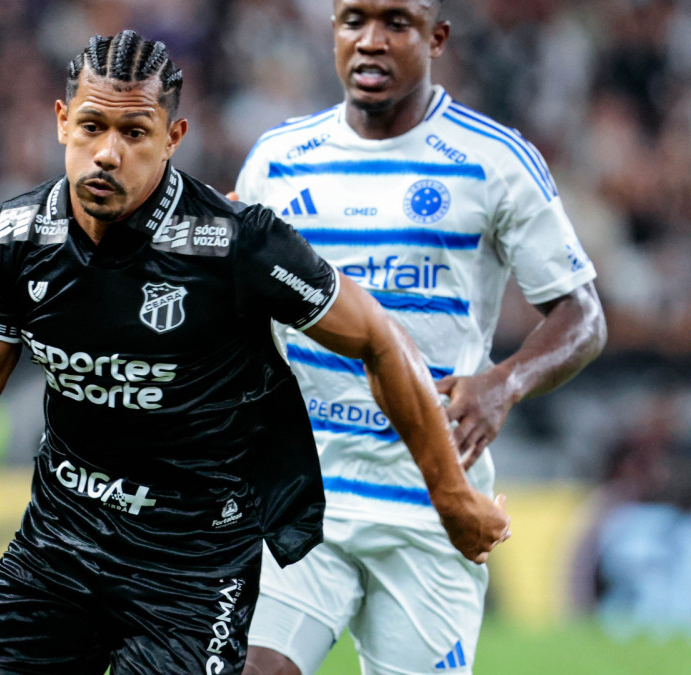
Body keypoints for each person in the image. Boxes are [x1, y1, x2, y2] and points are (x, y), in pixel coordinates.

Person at [0, 29, 508, 675]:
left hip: (190, 568)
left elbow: (379, 338)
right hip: (59, 546)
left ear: (174, 137)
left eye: (135, 133)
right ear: (62, 122)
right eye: (91, 126)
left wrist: (450, 494)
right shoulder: (13, 237)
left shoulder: (235, 244)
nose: (107, 153)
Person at [233, 2, 607, 674]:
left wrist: (504, 383)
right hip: (303, 495)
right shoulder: (279, 159)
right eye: (353, 20)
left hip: (431, 504)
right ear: (333, 32)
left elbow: (583, 317)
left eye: (396, 23)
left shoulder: (493, 159)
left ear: (437, 37)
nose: (370, 42)